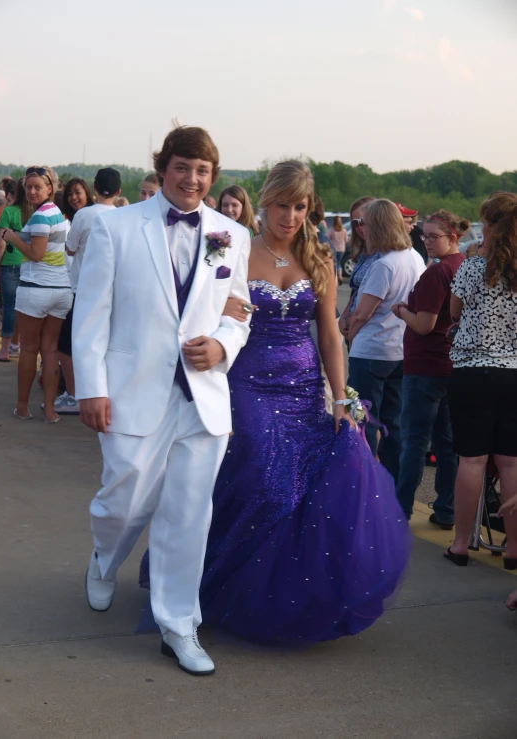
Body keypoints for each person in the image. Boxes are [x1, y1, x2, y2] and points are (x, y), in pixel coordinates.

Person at [140, 161, 410, 646]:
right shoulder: (228, 242)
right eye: (282, 204)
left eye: (300, 206)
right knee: (267, 479)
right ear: (263, 203)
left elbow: (329, 333)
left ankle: (284, 596)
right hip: (246, 379)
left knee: (308, 487)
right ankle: (208, 582)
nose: (290, 216)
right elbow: (196, 304)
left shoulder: (320, 255)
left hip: (304, 384)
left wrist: (342, 399)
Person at [73, 126, 251, 676]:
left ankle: (179, 625)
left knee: (188, 515)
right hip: (132, 390)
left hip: (202, 399)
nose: (192, 179)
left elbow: (238, 308)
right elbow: (92, 313)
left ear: (212, 176)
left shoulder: (230, 234)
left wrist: (222, 344)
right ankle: (105, 555)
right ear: (163, 167)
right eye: (182, 167)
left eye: (202, 171)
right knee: (123, 499)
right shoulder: (116, 227)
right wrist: (91, 387)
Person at [443, 192, 517, 568]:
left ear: (490, 227)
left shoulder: (473, 268)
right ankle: (514, 549)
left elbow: (454, 310)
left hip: (473, 371)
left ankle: (460, 543)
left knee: (471, 462)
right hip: (514, 373)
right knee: (511, 464)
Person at [392, 210, 468, 526]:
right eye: (425, 235)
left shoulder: (438, 273)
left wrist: (401, 311)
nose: (427, 242)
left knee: (414, 442)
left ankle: (401, 509)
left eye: (434, 236)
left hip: (426, 365)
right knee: (447, 444)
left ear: (452, 237)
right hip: (452, 364)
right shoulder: (463, 265)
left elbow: (425, 325)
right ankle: (447, 509)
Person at [348, 199, 425, 482]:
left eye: (364, 223)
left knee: (363, 421)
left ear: (377, 225)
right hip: (399, 350)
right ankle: (394, 483)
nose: (360, 228)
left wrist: (350, 338)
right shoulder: (414, 257)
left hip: (371, 351)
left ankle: (365, 482)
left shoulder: (384, 264)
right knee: (394, 424)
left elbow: (362, 314)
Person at [0, 166, 72, 423]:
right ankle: (50, 411)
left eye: (37, 187)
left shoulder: (41, 216)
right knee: (50, 350)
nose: (31, 191)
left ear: (49, 188)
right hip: (61, 289)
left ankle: (22, 407)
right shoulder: (57, 214)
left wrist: (13, 237)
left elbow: (36, 254)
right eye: (28, 187)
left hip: (37, 288)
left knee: (29, 350)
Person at [55, 168, 121, 414]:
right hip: (113, 291)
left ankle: (74, 396)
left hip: (82, 289)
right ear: (118, 191)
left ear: (93, 189)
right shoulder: (124, 215)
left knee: (68, 346)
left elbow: (70, 249)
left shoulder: (84, 215)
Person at [0, 178, 32, 362]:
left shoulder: (8, 212)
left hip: (10, 263)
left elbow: (1, 243)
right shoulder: (35, 213)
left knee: (9, 308)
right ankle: (23, 347)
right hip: (30, 264)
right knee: (28, 309)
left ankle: (5, 349)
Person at [338, 196, 377, 340]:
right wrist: (344, 317)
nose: (359, 227)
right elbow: (356, 290)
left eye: (363, 222)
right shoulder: (365, 251)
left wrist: (352, 327)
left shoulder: (384, 255)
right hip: (355, 328)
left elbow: (373, 299)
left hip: (371, 334)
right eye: (355, 223)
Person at [327, 215, 349, 284]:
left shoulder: (331, 230)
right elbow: (346, 239)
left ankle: (335, 277)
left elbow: (327, 238)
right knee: (339, 263)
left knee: (334, 263)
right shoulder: (344, 230)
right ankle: (340, 276)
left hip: (334, 249)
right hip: (342, 249)